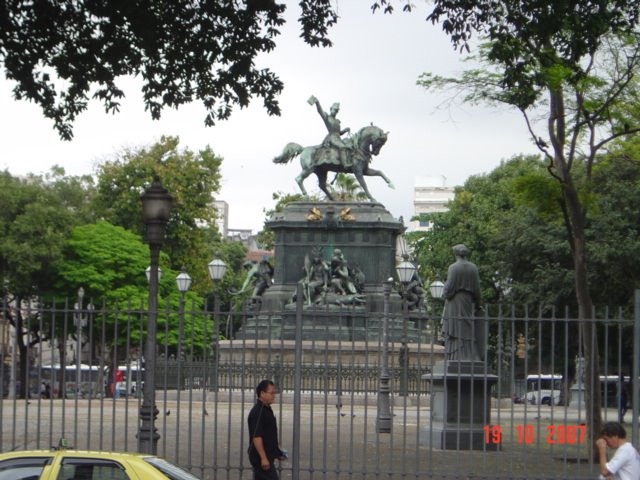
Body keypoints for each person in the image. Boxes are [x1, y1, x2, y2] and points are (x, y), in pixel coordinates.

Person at [442, 244, 484, 361]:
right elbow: (477, 289)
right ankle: (470, 355)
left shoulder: (453, 267)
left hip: (455, 301)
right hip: (468, 301)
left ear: (455, 254)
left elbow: (448, 289)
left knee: (456, 327)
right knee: (468, 327)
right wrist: (478, 303)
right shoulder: (473, 267)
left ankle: (456, 357)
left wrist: (445, 293)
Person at [247, 380, 286, 480]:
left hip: (266, 456)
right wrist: (263, 458)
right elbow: (257, 437)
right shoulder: (257, 412)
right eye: (271, 393)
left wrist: (277, 452)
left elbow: (270, 435)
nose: (274, 395)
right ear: (262, 393)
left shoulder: (266, 409)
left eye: (274, 393)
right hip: (260, 458)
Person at [308, 95, 351, 164]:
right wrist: (317, 103)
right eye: (334, 109)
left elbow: (338, 133)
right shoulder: (327, 117)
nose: (335, 111)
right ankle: (345, 164)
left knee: (349, 146)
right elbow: (320, 111)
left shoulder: (337, 121)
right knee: (342, 147)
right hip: (332, 138)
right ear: (331, 109)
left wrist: (345, 130)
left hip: (338, 138)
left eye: (336, 111)